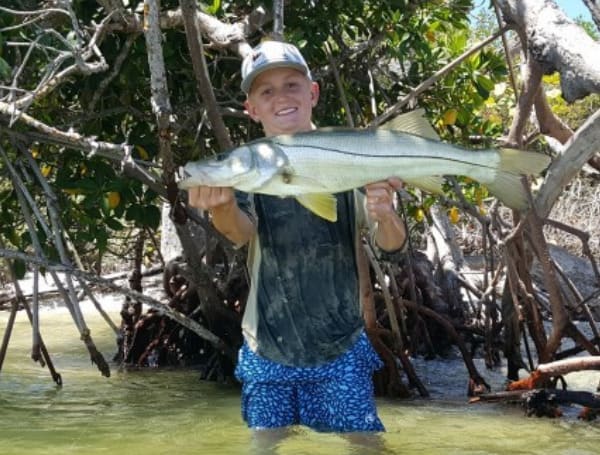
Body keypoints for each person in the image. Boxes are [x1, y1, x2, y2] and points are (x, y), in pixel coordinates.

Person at [187, 40, 407, 435]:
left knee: (364, 444)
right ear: (252, 109)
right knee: (265, 445)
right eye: (266, 91)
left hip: (340, 347)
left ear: (313, 92)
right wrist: (220, 207)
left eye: (292, 84)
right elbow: (241, 231)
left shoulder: (350, 156)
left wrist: (385, 214)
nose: (281, 98)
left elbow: (389, 244)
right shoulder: (246, 166)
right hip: (267, 348)